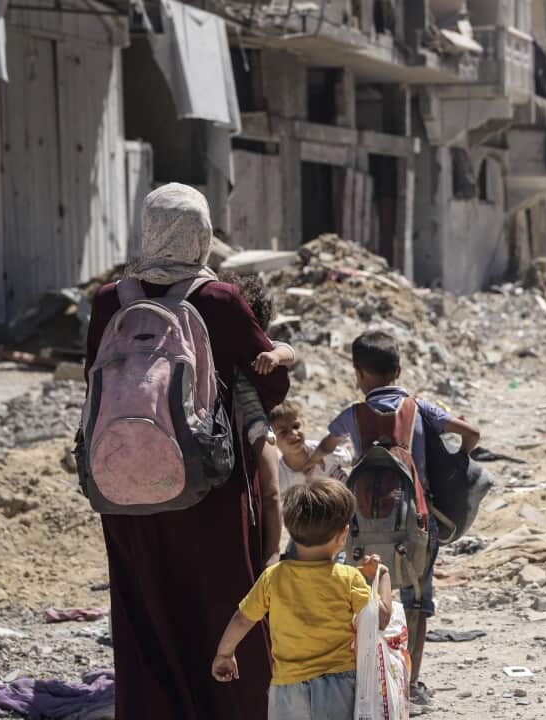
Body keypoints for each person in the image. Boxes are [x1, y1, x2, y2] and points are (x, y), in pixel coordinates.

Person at [84, 183, 289, 719]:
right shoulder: (219, 300)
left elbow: (93, 380)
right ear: (201, 235)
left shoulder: (111, 300)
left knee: (143, 607)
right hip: (208, 487)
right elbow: (267, 382)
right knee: (221, 600)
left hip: (124, 483)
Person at [311, 330, 481, 707]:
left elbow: (325, 447)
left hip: (362, 528)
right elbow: (471, 433)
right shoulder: (421, 408)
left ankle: (364, 677)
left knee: (361, 596)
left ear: (357, 373)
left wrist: (312, 462)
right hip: (417, 523)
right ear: (399, 370)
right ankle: (412, 683)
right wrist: (456, 462)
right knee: (417, 599)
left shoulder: (351, 415)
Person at [212, 480, 392, 720]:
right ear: (343, 536)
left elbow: (242, 619)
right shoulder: (348, 579)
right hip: (337, 684)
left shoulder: (273, 577)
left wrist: (225, 653)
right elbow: (381, 617)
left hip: (287, 687)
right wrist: (383, 576)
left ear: (293, 533)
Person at [221, 270, 297, 564]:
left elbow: (288, 350)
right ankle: (270, 553)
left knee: (272, 490)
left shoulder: (256, 344)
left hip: (252, 420)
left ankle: (272, 554)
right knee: (270, 490)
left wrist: (275, 356)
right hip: (238, 421)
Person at [269, 401, 352, 493]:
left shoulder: (321, 449)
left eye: (296, 426)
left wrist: (321, 455)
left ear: (304, 425)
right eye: (283, 432)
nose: (293, 434)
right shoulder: (279, 475)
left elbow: (348, 459)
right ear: (272, 439)